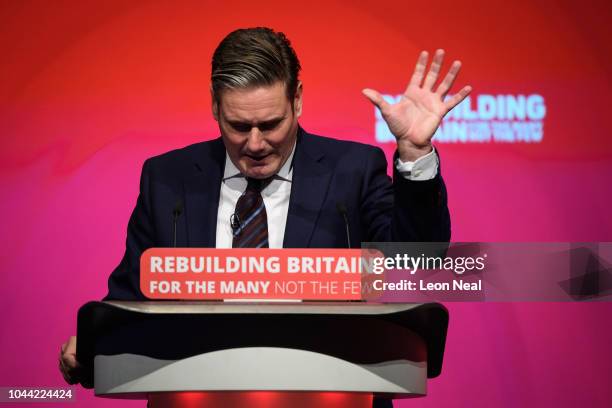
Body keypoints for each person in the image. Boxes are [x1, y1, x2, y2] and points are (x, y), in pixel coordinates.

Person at [59, 27, 471, 406]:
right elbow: (133, 291)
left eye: (271, 124)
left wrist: (415, 154)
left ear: (298, 100)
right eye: (238, 125)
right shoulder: (168, 179)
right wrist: (94, 342)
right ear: (214, 107)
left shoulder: (352, 170)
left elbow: (419, 258)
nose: (255, 144)